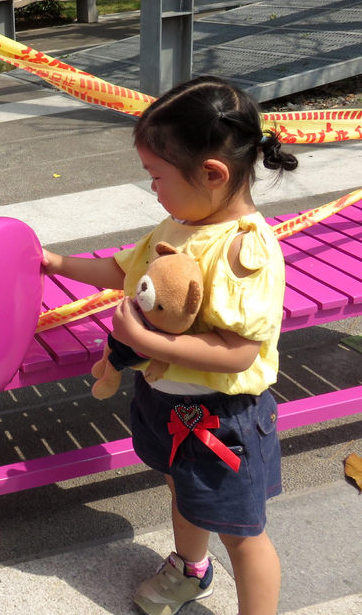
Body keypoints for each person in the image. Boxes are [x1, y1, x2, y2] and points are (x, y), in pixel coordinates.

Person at [42, 76, 298, 615]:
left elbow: (238, 353)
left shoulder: (243, 251)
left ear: (212, 174)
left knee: (243, 533)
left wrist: (142, 338)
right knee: (183, 490)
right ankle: (190, 569)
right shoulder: (182, 222)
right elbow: (124, 269)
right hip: (169, 403)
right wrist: (58, 263)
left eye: (156, 176)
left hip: (224, 419)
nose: (152, 189)